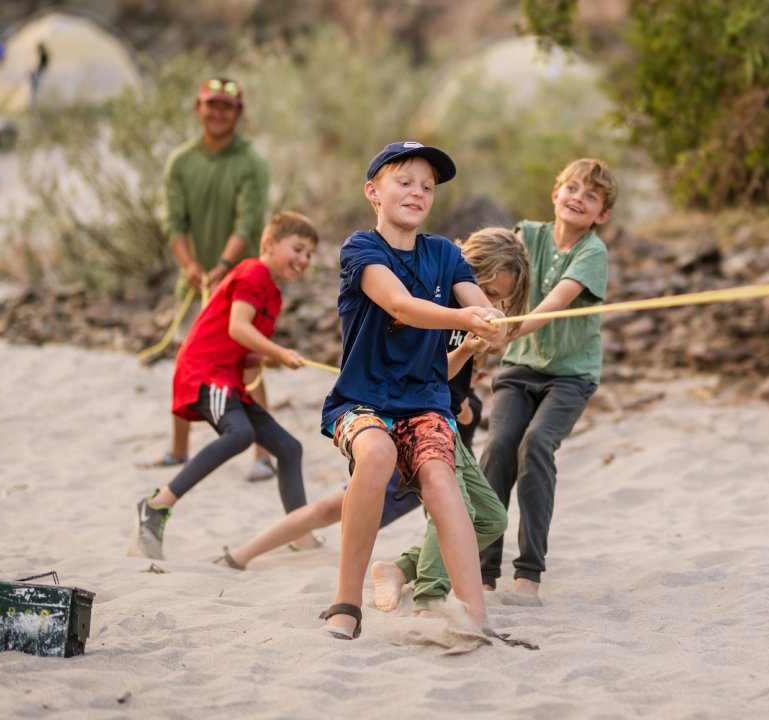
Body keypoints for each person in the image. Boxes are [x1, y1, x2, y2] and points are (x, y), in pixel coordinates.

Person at [215, 229, 530, 613]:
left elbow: (483, 345)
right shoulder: (435, 302)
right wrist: (462, 390)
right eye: (491, 291)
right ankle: (426, 598)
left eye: (500, 298)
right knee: (346, 506)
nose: (493, 302)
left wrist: (469, 357)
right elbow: (411, 336)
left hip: (431, 429)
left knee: (465, 511)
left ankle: (400, 570)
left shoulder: (465, 319)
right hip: (397, 421)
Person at [317, 141, 507, 640]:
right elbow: (399, 305)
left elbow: (481, 307)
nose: (418, 192)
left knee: (444, 482)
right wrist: (464, 318)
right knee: (376, 455)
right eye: (404, 182)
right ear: (373, 192)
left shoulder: (444, 254)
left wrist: (492, 322)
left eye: (427, 186)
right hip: (361, 401)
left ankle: (473, 619)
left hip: (424, 403)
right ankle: (345, 602)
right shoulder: (361, 249)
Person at [131, 211, 320, 561]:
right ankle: (156, 505)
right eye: (298, 248)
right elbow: (237, 327)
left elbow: (242, 349)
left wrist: (267, 359)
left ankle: (301, 534)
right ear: (269, 244)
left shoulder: (274, 295)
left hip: (227, 376)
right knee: (239, 434)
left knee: (290, 448)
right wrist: (278, 350)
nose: (304, 259)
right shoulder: (253, 272)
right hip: (204, 371)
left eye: (310, 254)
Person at [479, 158, 618, 600]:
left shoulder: (592, 251)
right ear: (556, 193)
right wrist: (478, 336)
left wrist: (506, 331)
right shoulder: (527, 235)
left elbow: (554, 303)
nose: (578, 197)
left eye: (591, 195)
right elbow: (484, 277)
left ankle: (528, 575)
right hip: (519, 370)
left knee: (535, 445)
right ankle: (481, 571)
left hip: (570, 377)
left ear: (602, 215)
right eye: (572, 188)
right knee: (499, 447)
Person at [151, 76, 276, 482]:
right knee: (187, 360)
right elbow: (173, 220)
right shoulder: (181, 161)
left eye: (226, 106)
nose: (218, 113)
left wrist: (224, 264)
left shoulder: (251, 161)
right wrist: (190, 265)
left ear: (238, 113)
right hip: (195, 280)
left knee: (246, 362)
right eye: (211, 105)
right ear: (198, 108)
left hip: (241, 279)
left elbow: (249, 220)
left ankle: (262, 454)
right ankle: (178, 448)